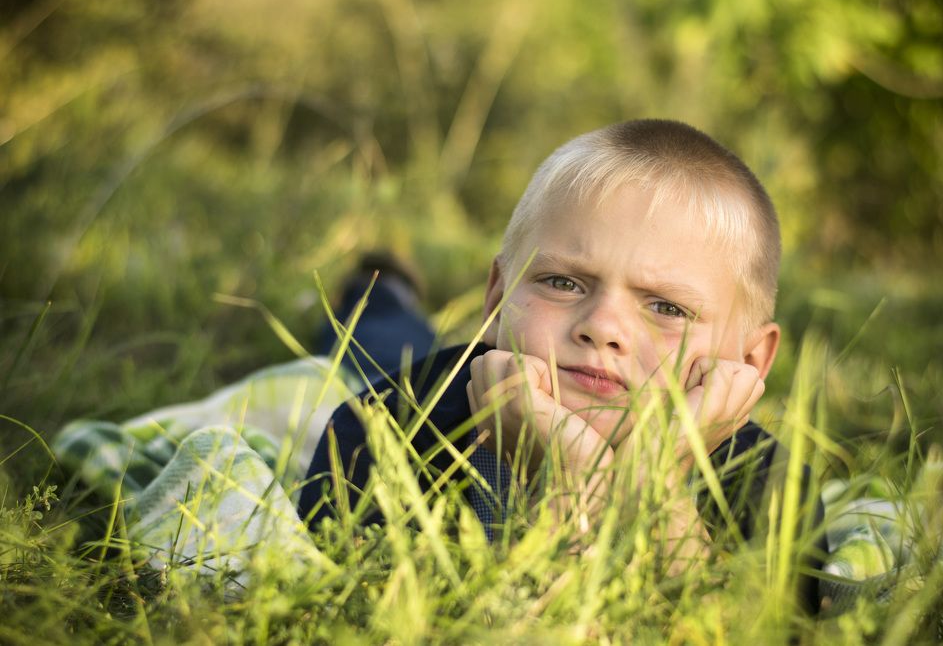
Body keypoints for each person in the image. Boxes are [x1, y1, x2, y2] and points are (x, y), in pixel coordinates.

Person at [298, 119, 826, 609]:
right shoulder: (384, 428)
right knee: (376, 338)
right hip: (432, 370)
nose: (601, 326)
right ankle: (384, 288)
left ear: (751, 362)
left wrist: (654, 479)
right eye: (563, 282)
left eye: (668, 308)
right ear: (497, 297)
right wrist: (567, 490)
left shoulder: (773, 488)